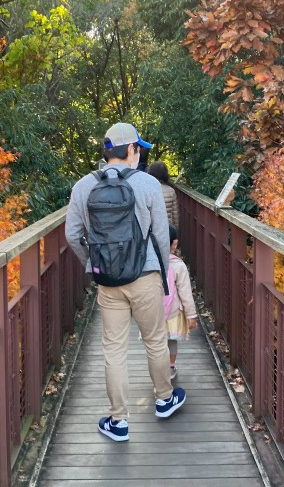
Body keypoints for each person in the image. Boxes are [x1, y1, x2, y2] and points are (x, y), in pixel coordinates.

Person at [65, 122, 186, 442]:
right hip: (145, 274)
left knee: (114, 350)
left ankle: (118, 421)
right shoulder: (148, 185)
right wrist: (163, 271)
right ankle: (163, 398)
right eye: (139, 149)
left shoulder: (83, 186)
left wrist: (92, 266)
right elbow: (161, 234)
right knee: (155, 340)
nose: (140, 154)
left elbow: (71, 235)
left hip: (108, 280)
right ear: (131, 150)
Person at [164, 224, 198, 380]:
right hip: (173, 312)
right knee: (171, 340)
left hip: (152, 311)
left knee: (155, 342)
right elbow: (185, 292)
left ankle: (157, 368)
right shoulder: (178, 265)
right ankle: (170, 368)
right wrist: (191, 315)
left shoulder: (146, 262)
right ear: (175, 243)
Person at [148, 161, 179, 229]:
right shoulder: (171, 191)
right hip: (167, 228)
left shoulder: (147, 190)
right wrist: (175, 231)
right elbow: (175, 214)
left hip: (151, 228)